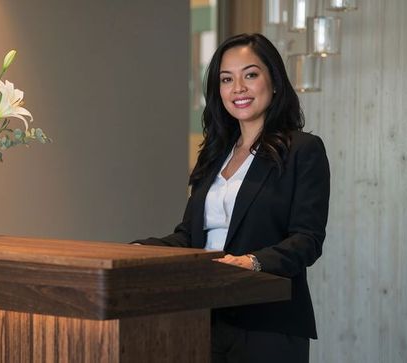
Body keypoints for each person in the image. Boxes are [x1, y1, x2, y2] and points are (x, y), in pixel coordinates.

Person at [134, 33, 330, 363]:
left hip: (268, 321)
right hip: (201, 316)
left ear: (275, 81)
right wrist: (143, 251)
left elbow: (307, 240)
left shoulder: (303, 150)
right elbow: (190, 237)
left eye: (250, 75)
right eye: (227, 79)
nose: (238, 88)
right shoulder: (214, 156)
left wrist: (253, 262)